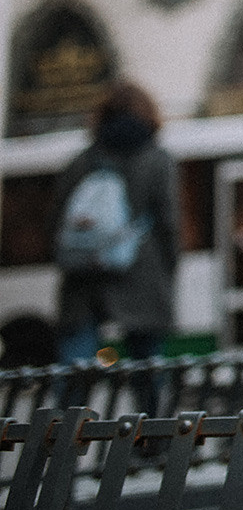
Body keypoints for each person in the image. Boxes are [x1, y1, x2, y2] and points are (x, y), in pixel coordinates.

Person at [54, 81, 180, 370]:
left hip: (84, 278)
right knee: (147, 371)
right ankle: (149, 416)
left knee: (76, 369)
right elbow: (168, 225)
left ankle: (68, 416)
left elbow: (56, 225)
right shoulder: (158, 161)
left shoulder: (79, 163)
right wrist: (167, 270)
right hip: (143, 275)